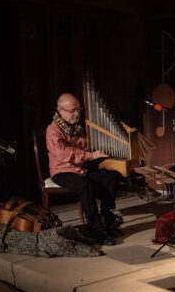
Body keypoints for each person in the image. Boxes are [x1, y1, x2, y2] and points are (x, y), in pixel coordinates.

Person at [47, 93, 120, 246]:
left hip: (81, 169)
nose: (77, 113)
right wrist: (90, 155)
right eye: (72, 110)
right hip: (62, 171)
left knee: (110, 175)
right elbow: (62, 154)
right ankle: (97, 230)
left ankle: (106, 214)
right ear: (60, 110)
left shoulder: (79, 127)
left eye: (78, 110)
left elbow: (86, 149)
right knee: (85, 187)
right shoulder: (53, 130)